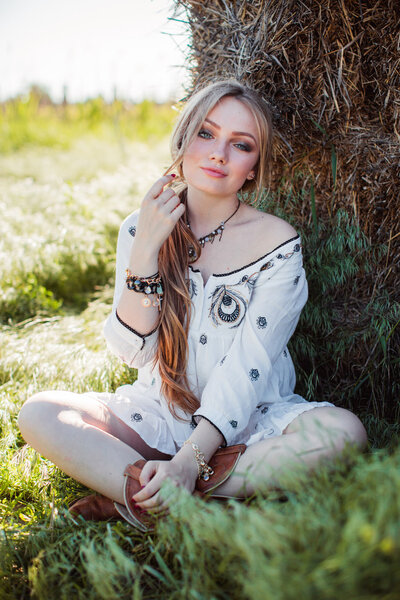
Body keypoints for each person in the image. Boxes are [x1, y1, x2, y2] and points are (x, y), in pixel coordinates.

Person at [18, 80, 367, 529]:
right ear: (183, 139)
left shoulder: (278, 243)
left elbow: (249, 365)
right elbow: (133, 352)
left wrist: (190, 460)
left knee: (343, 433)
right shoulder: (139, 226)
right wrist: (145, 249)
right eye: (206, 133)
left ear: (254, 167)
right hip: (158, 412)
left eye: (240, 145)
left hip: (250, 421)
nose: (218, 153)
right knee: (41, 413)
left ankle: (149, 492)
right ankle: (177, 490)